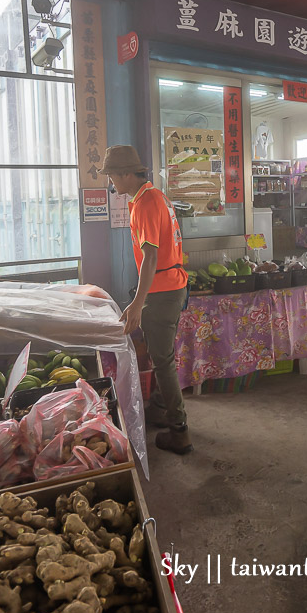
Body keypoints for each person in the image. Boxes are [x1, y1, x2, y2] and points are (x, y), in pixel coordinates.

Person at [99, 145, 193, 455]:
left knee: (163, 360)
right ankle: (159, 409)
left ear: (126, 174)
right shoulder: (153, 196)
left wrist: (138, 303)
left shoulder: (146, 203)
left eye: (112, 176)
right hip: (170, 286)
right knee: (160, 354)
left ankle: (179, 430)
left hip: (162, 290)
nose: (111, 182)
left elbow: (151, 257)